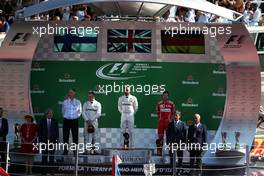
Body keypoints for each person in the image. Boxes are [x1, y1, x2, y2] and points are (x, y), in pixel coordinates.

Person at [62, 89, 82, 155]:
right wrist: (67, 116)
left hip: (74, 121)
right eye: (69, 92)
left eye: (71, 92)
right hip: (66, 121)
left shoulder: (78, 102)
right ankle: (65, 151)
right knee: (65, 137)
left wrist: (75, 116)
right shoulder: (65, 102)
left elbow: (80, 112)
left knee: (75, 137)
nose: (70, 93)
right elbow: (63, 111)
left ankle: (75, 152)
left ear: (74, 94)